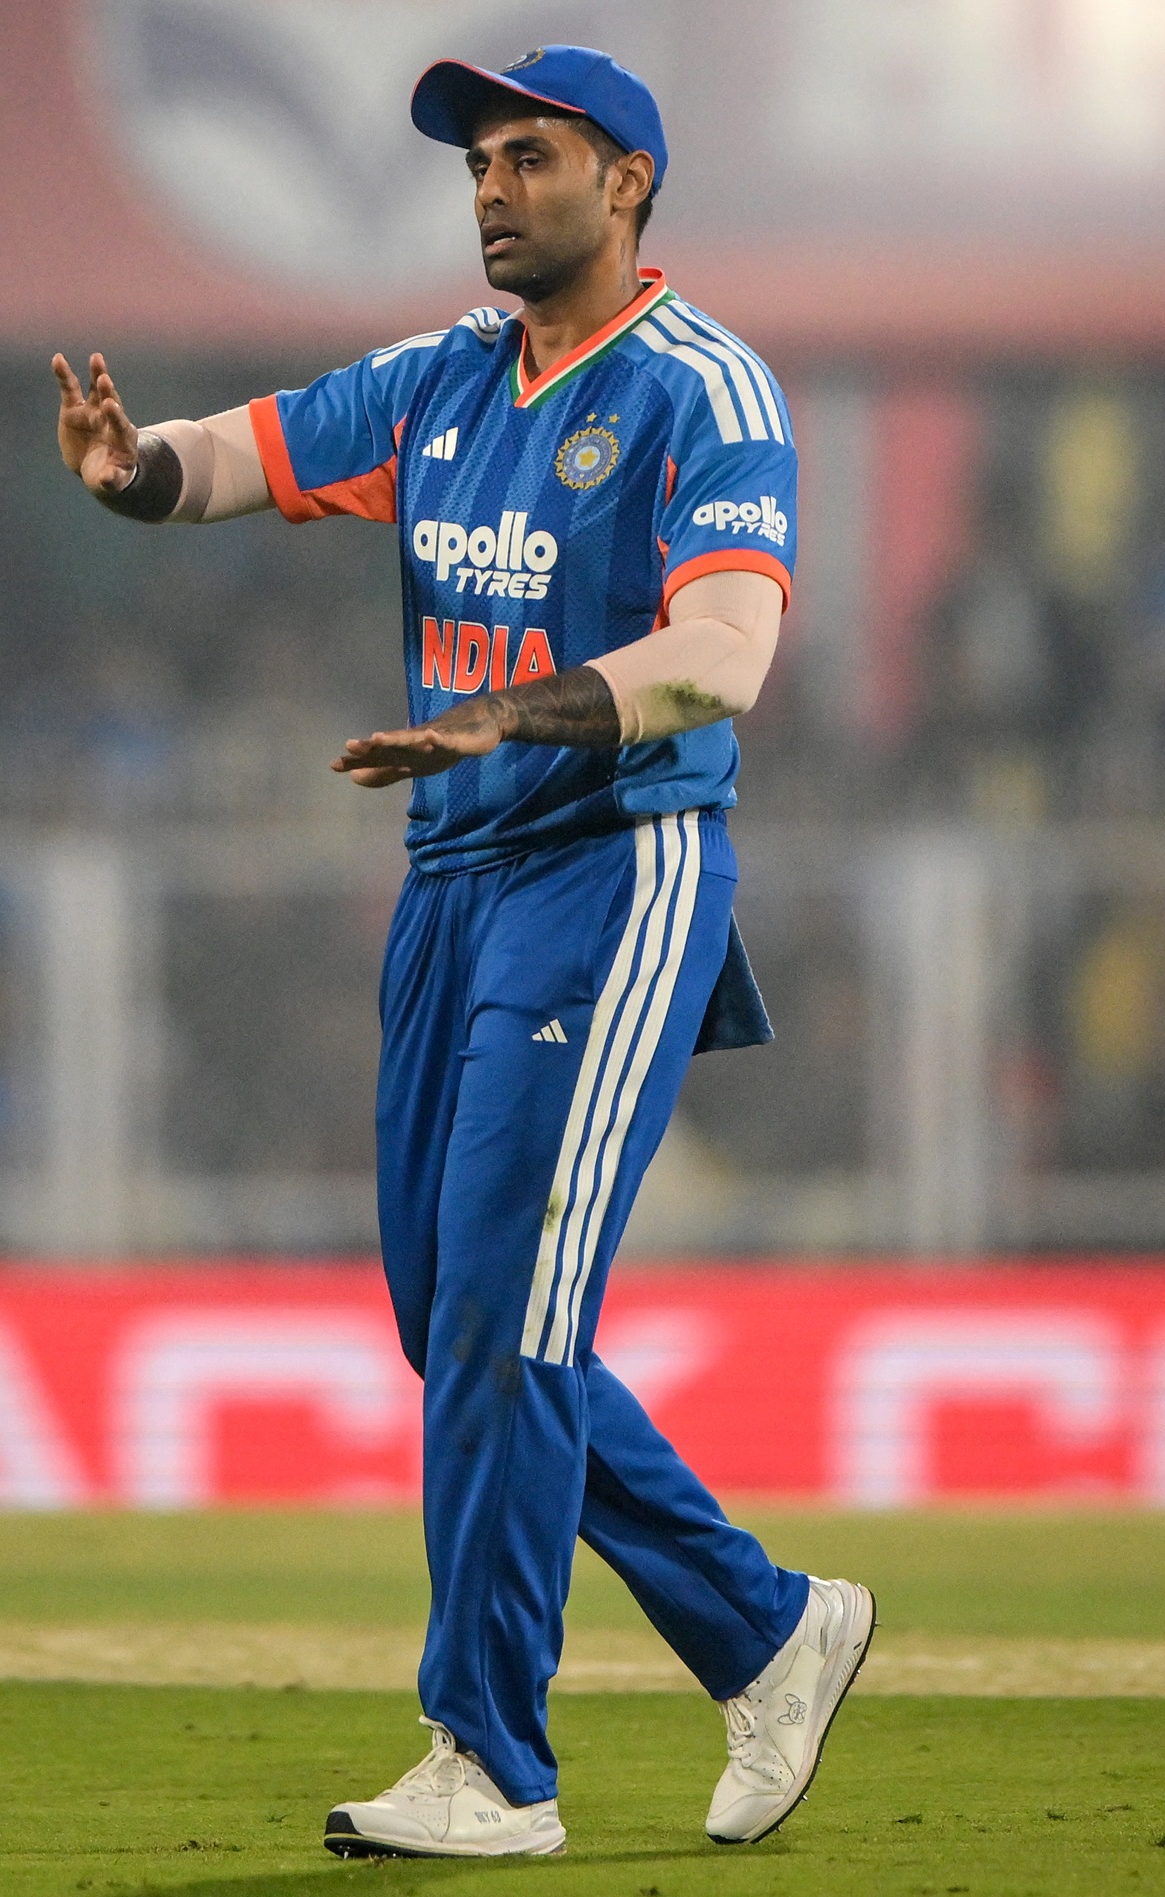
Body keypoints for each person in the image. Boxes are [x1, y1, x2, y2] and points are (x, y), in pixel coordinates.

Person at [53, 43, 873, 1861]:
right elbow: (241, 455)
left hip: (614, 869)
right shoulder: (444, 377)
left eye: (529, 157)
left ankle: (493, 1758)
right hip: (453, 881)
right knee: (459, 1319)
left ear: (628, 180)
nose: (491, 188)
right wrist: (131, 473)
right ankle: (766, 1628)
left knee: (505, 1308)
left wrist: (512, 715)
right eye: (478, 164)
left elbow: (725, 654)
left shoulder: (703, 388)